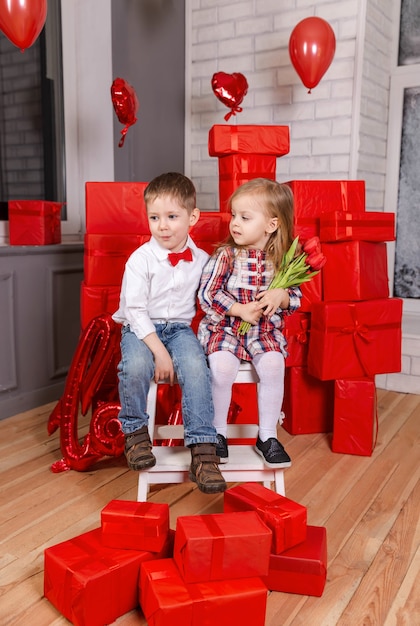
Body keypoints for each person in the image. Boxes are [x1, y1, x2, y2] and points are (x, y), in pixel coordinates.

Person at [112, 172, 226, 494]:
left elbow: (214, 296)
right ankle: (135, 434)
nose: (162, 226)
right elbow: (134, 311)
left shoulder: (203, 260)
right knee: (135, 366)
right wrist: (159, 353)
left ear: (193, 218)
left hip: (179, 329)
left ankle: (203, 451)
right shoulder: (140, 260)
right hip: (140, 326)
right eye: (155, 217)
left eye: (172, 217)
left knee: (196, 368)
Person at [198, 178, 302, 466]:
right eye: (234, 215)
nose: (235, 223)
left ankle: (267, 435)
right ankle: (217, 433)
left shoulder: (282, 260)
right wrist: (238, 309)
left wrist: (281, 295)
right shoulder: (226, 255)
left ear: (271, 224)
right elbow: (207, 294)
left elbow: (295, 299)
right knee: (221, 368)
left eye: (244, 217)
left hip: (263, 331)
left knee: (273, 366)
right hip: (227, 329)